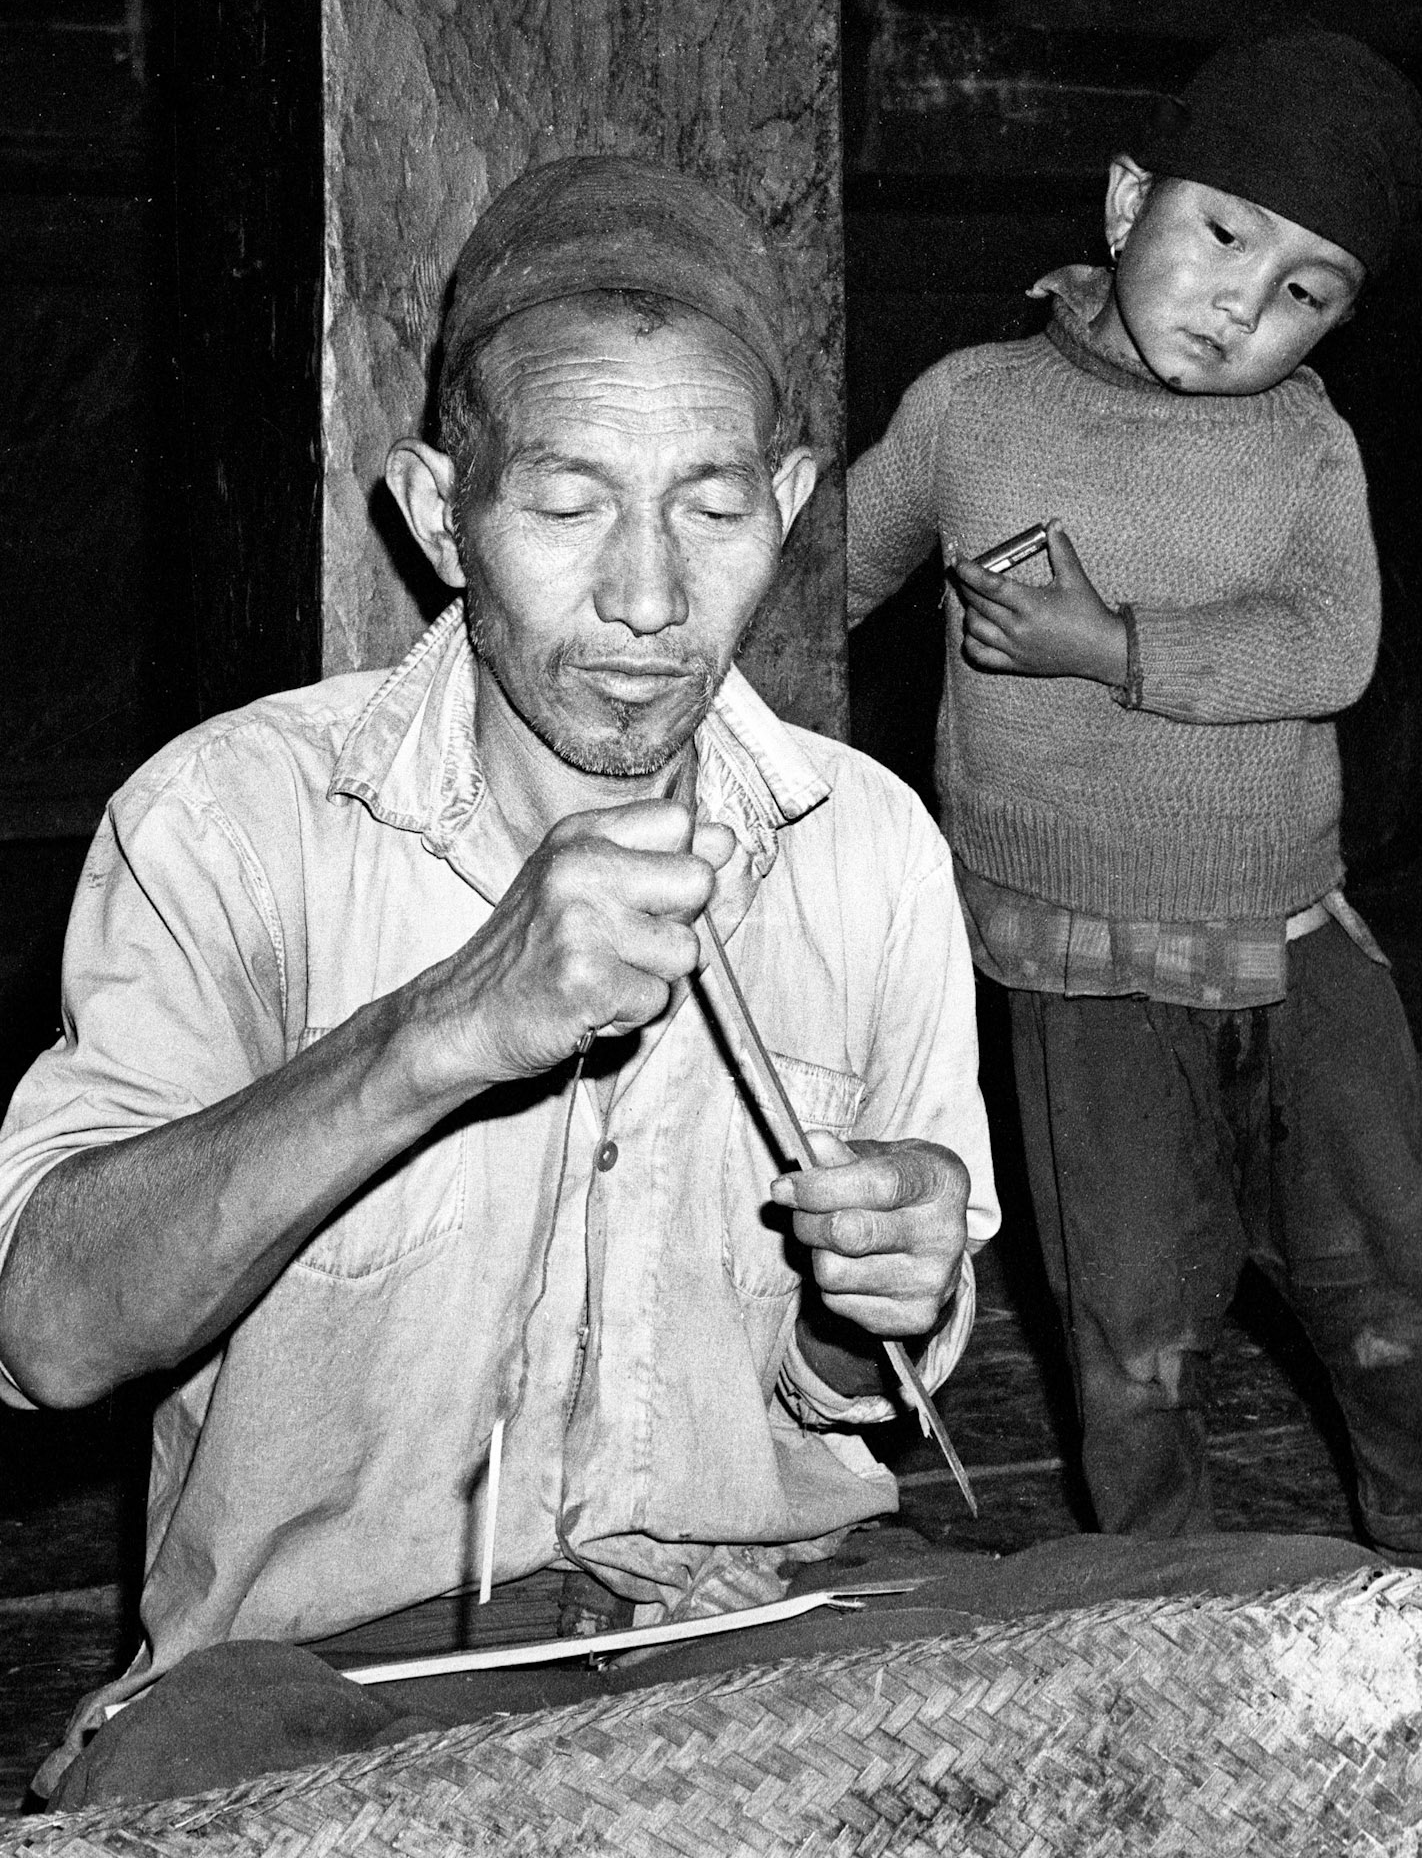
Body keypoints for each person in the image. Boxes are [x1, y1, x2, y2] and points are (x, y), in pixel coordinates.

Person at [0, 155, 998, 1798]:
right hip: (331, 1686)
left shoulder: (863, 842)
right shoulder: (234, 823)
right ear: (435, 511)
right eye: (563, 504)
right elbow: (50, 1333)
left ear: (797, 502)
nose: (648, 599)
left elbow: (852, 1394)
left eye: (712, 505)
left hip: (770, 1627)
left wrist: (868, 1301)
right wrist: (440, 1028)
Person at [847, 27, 1422, 1550]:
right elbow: (822, 572)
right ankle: (1152, 1628)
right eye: (1221, 233)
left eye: (1306, 289)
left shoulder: (1306, 449)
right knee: (1130, 1332)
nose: (1244, 302)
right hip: (1074, 961)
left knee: (1391, 1293)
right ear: (1123, 204)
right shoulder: (972, 407)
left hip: (1288, 940)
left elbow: (1332, 643)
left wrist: (1108, 643)